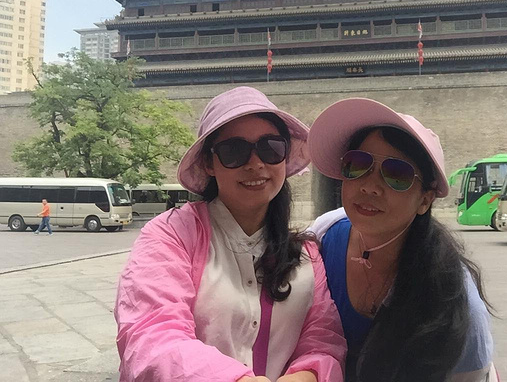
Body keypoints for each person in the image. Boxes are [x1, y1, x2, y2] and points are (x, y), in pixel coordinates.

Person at [115, 86, 346, 382]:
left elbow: (323, 338)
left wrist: (307, 375)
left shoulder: (306, 254)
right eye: (234, 151)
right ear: (208, 163)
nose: (256, 163)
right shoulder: (172, 235)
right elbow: (151, 334)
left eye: (271, 147)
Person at [308, 98, 496, 382]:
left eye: (397, 174)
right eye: (358, 164)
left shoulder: (453, 300)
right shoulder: (322, 238)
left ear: (425, 201)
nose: (370, 186)